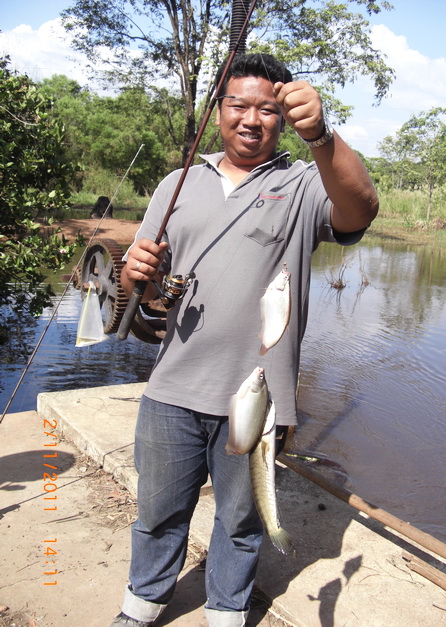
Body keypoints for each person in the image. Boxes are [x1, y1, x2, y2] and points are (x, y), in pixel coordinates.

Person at [111, 53, 379, 627]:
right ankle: (141, 606)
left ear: (283, 117)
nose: (250, 119)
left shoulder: (305, 182)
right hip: (172, 388)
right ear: (218, 112)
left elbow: (361, 208)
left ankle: (226, 611)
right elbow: (148, 281)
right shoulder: (175, 184)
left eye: (267, 108)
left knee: (241, 520)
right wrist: (135, 274)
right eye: (238, 105)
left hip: (258, 397)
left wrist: (323, 136)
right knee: (157, 512)